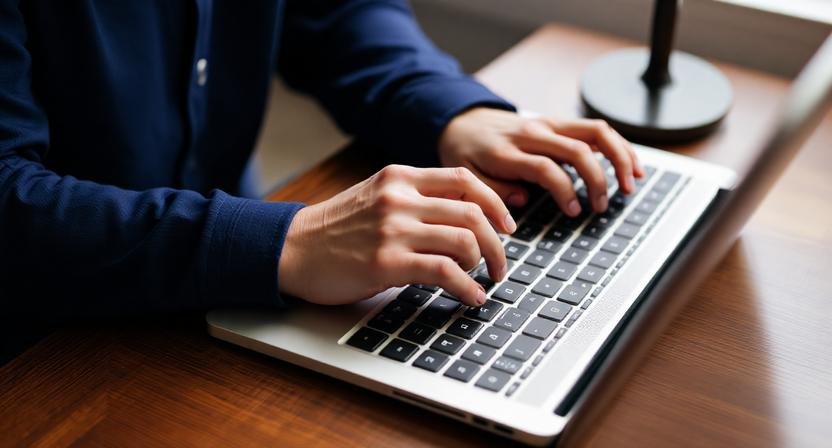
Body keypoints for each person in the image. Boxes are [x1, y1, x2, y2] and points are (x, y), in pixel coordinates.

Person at [0, 0, 641, 362]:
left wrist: (448, 109)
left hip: (218, 303)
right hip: (43, 350)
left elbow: (340, 13)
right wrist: (288, 242)